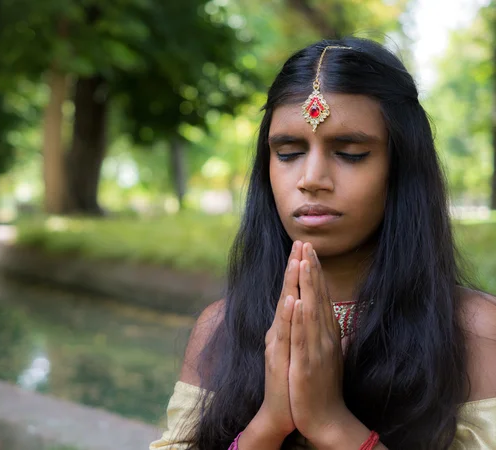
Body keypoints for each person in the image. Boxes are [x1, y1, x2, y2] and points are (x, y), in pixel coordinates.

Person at [149, 37, 496, 450]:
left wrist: (332, 424)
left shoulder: (475, 333)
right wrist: (268, 424)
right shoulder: (222, 329)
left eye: (350, 153)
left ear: (400, 169)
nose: (311, 178)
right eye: (289, 152)